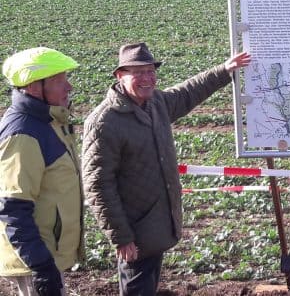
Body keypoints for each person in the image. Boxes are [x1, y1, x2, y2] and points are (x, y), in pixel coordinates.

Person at [81, 42, 251, 296]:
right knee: (136, 288)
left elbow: (188, 93)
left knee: (146, 285)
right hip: (135, 231)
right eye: (138, 73)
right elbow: (98, 185)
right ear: (120, 76)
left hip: (156, 223)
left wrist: (224, 70)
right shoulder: (105, 122)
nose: (147, 79)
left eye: (150, 71)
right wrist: (121, 236)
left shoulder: (155, 103)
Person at [0, 47, 83, 296]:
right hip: (35, 261)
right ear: (35, 87)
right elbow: (13, 206)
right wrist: (41, 267)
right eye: (60, 81)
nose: (68, 87)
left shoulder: (48, 121)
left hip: (46, 254)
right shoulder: (23, 134)